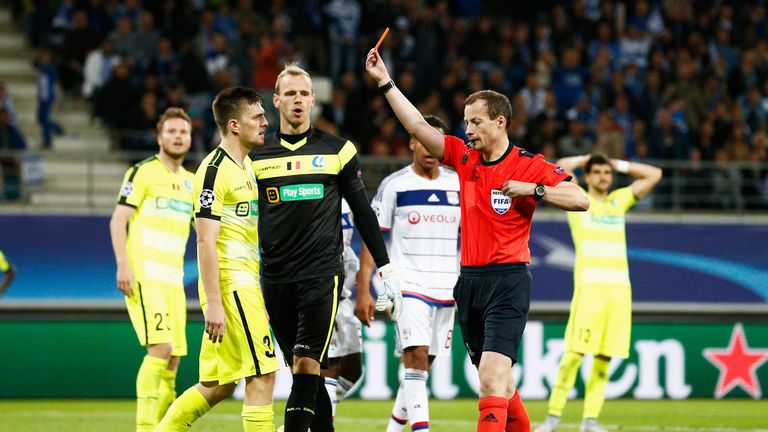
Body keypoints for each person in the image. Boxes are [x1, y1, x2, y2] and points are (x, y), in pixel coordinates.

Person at [365, 49, 589, 432]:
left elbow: (580, 198)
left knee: (489, 378)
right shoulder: (464, 158)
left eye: (476, 122)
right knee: (501, 383)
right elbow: (418, 126)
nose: (467, 130)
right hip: (468, 284)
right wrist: (386, 82)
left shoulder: (527, 163)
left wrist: (533, 190)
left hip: (508, 280)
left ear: (500, 122)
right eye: (466, 122)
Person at [251, 64, 401, 432]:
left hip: (322, 275)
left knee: (306, 363)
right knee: (305, 371)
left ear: (314, 100)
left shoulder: (338, 150)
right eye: (290, 94)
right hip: (274, 278)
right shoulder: (255, 157)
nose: (297, 100)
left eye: (304, 94)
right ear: (276, 101)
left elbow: (364, 213)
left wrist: (385, 266)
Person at [155, 87, 279, 431]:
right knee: (263, 374)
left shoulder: (248, 168)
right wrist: (214, 304)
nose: (265, 122)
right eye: (258, 116)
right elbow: (205, 240)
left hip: (245, 285)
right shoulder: (214, 170)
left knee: (219, 384)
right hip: (231, 285)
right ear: (235, 125)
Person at [535, 154, 662, 432]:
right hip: (590, 290)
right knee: (573, 355)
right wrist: (584, 159)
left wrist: (620, 164)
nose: (604, 176)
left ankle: (590, 421)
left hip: (619, 292)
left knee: (604, 359)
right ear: (589, 176)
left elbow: (654, 174)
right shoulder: (578, 199)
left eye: (607, 172)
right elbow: (560, 166)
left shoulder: (619, 201)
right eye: (598, 171)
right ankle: (553, 417)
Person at [355, 115, 460, 432]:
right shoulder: (395, 185)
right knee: (414, 357)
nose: (429, 147)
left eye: (435, 141)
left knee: (423, 366)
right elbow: (372, 238)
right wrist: (364, 290)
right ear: (412, 142)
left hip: (448, 288)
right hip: (407, 286)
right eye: (423, 139)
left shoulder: (457, 183)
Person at [109, 107, 195, 432]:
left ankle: (161, 426)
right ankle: (145, 428)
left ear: (189, 138)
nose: (177, 136)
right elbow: (118, 220)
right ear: (160, 137)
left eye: (183, 132)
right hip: (146, 276)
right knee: (161, 348)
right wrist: (123, 264)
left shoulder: (191, 182)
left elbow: (204, 230)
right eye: (171, 131)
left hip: (174, 282)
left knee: (173, 360)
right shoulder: (141, 172)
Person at [321, 198, 364, 421]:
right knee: (331, 365)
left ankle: (313, 416)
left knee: (353, 370)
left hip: (346, 294)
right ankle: (323, 423)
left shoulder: (348, 201)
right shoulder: (317, 196)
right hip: (324, 289)